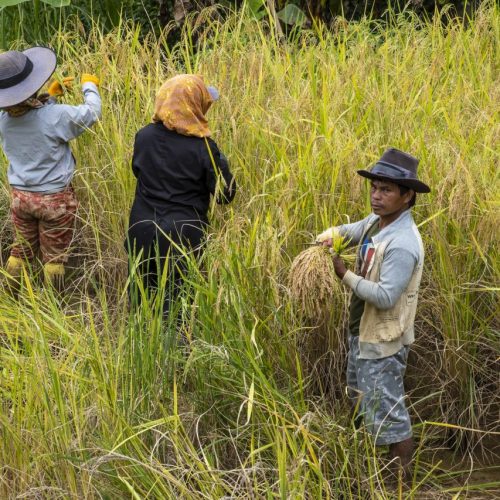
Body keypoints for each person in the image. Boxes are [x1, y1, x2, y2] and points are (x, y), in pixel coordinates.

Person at [316, 148, 430, 476]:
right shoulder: (378, 223)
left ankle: (399, 482)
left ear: (407, 196)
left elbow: (384, 296)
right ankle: (366, 469)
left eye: (386, 190)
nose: (376, 196)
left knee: (390, 414)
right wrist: (330, 237)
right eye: (374, 188)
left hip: (382, 341)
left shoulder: (403, 242)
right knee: (362, 402)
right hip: (361, 334)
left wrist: (344, 274)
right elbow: (353, 231)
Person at [126, 74, 236, 316]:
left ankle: (141, 352)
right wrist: (220, 160)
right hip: (182, 236)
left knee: (142, 301)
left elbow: (137, 170)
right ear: (194, 105)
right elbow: (225, 194)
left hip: (142, 228)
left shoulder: (143, 136)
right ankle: (173, 353)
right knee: (177, 308)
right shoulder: (204, 147)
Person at [0, 47, 101, 293]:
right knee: (54, 257)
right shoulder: (56, 117)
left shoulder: (3, 120)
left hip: (20, 198)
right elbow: (92, 113)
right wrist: (90, 86)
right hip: (55, 200)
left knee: (21, 249)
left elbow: (30, 114)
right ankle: (54, 306)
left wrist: (49, 96)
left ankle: (9, 297)